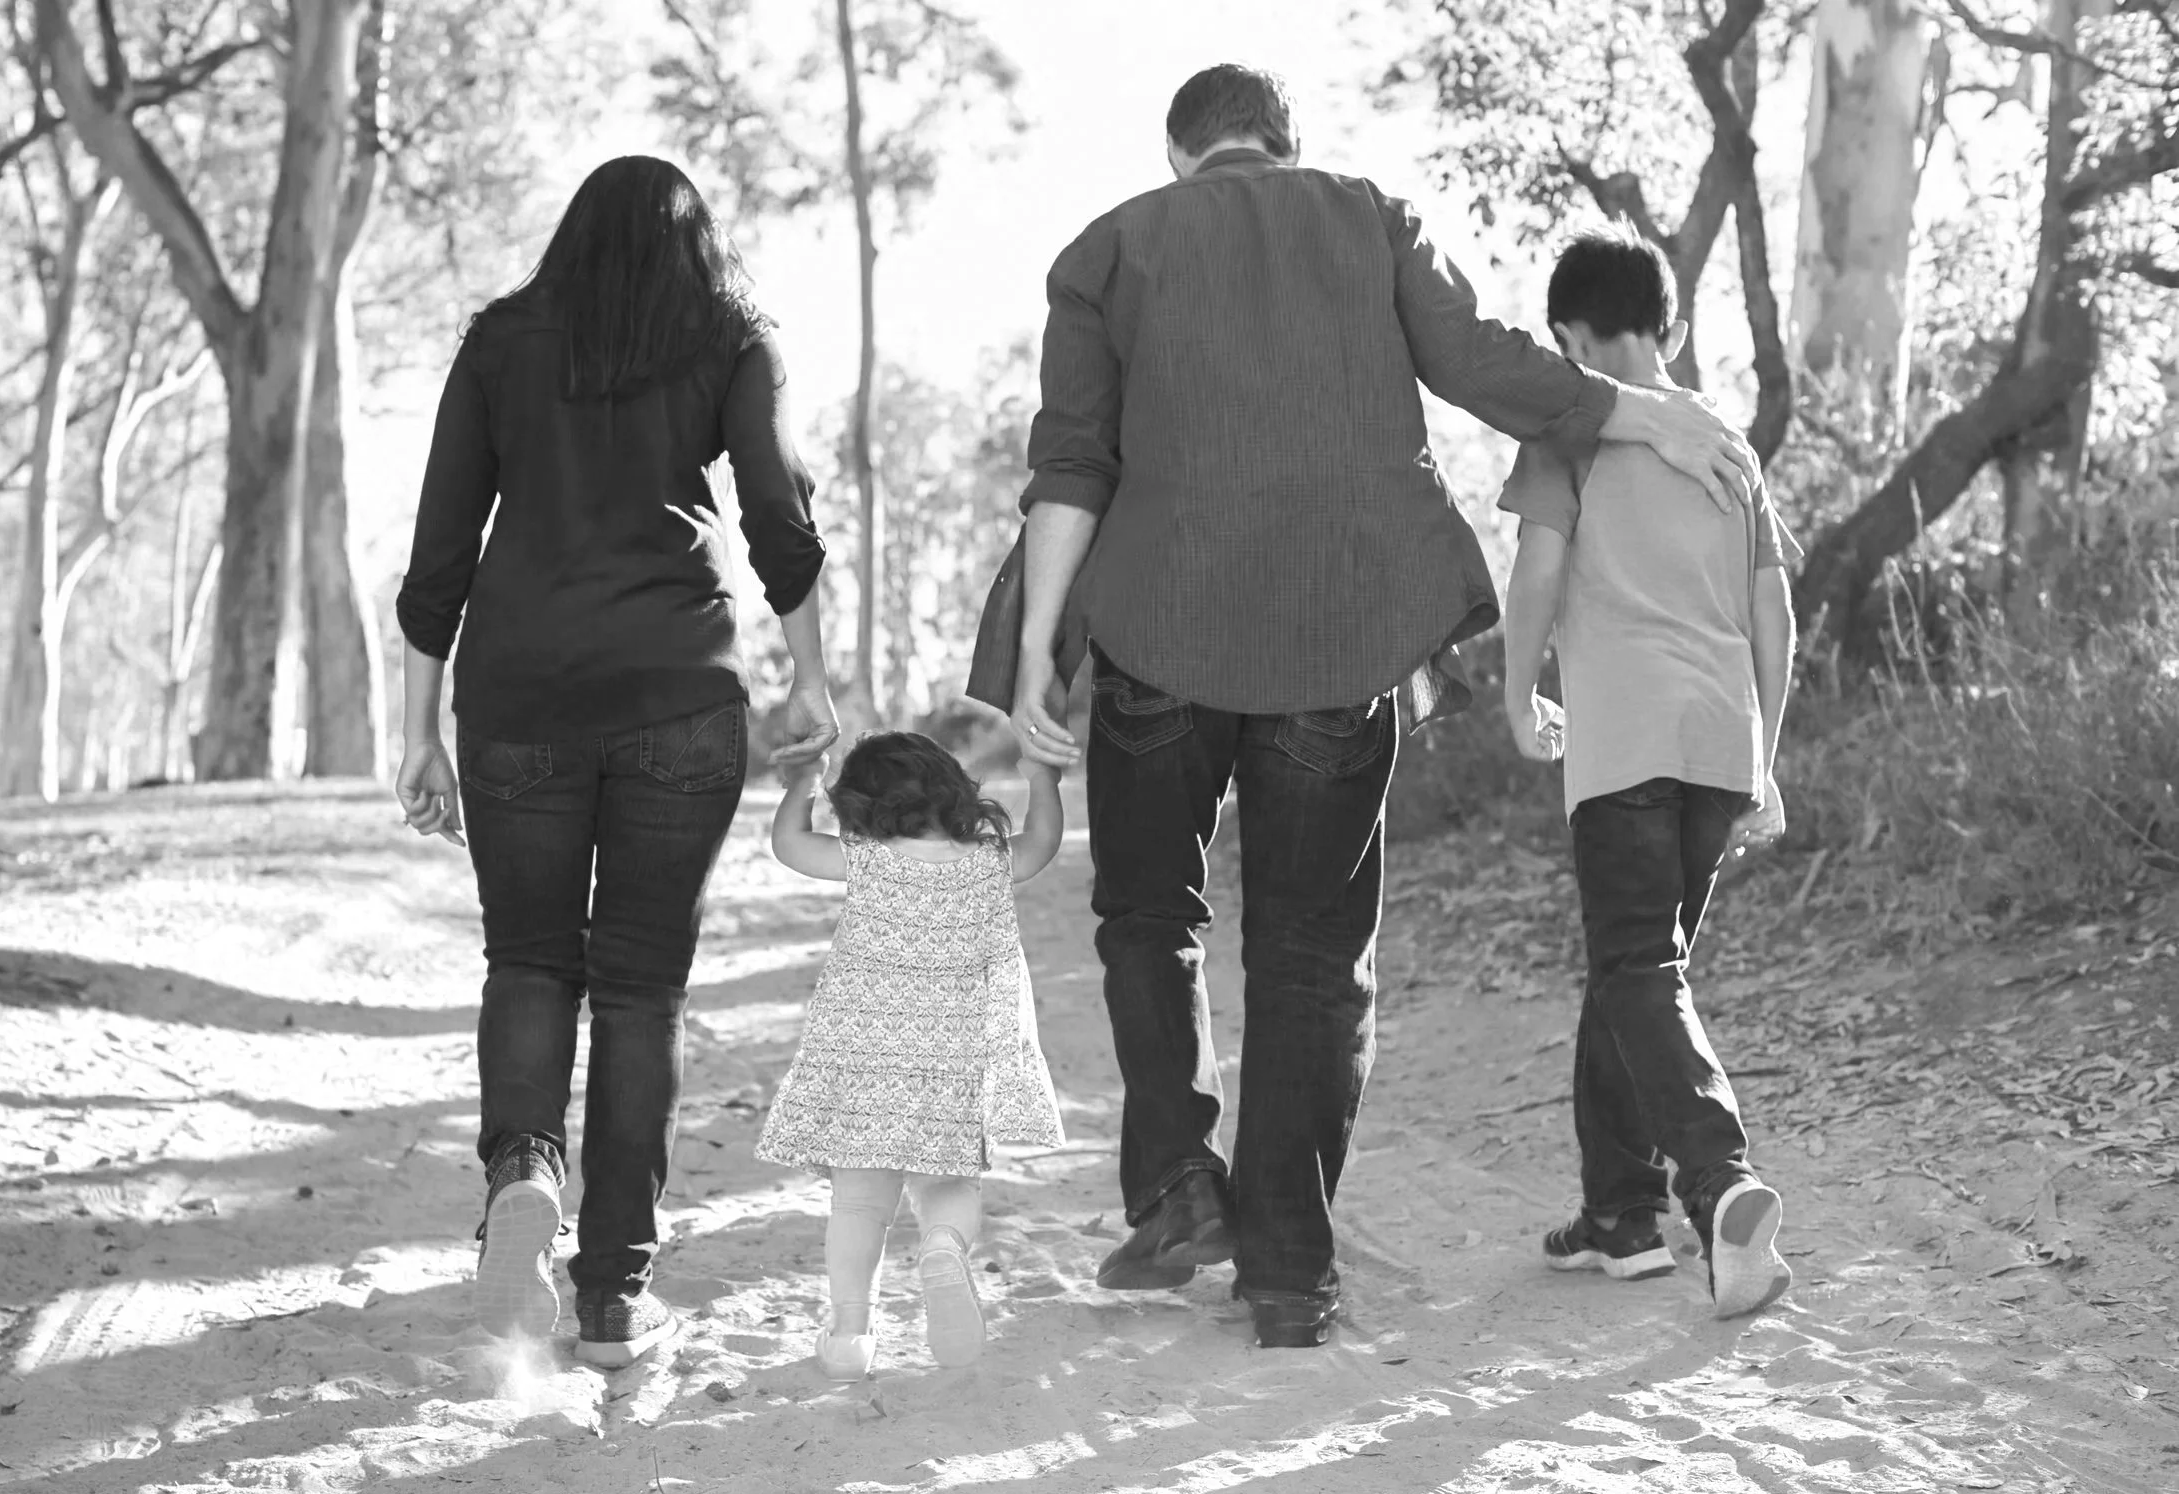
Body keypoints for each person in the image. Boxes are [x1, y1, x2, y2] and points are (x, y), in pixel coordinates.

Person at [1006, 64, 1766, 1349]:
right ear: (1285, 142)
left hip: (1156, 633)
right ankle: (1290, 1272)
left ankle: (1179, 1181)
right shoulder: (1367, 216)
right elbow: (1480, 362)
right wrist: (1644, 415)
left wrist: (1039, 648)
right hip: (1339, 635)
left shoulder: (1107, 249)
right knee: (1311, 952)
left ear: (1182, 154)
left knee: (1150, 913)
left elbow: (1071, 463)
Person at [395, 156, 840, 1369]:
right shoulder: (732, 337)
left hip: (518, 695)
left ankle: (523, 1172)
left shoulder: (500, 340)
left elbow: (441, 546)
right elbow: (779, 515)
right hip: (677, 695)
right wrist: (810, 679)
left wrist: (418, 728)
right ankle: (613, 1296)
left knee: (530, 958)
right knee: (642, 988)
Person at [1498, 232, 1797, 1321]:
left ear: (1568, 338)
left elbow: (1536, 572)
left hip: (1622, 742)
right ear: (1666, 323)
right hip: (1718, 743)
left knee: (1636, 966)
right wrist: (1763, 758)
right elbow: (1774, 611)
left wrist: (1516, 694)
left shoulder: (1570, 427)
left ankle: (1719, 1181)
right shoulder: (1727, 445)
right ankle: (1619, 1215)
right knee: (1635, 975)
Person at [755, 733, 1066, 1379]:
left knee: (859, 1203)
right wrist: (1043, 779)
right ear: (953, 789)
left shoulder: (865, 859)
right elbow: (1042, 841)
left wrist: (803, 779)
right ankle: (943, 1247)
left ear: (859, 805)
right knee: (947, 1183)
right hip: (953, 1060)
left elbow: (789, 844)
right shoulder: (989, 863)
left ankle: (850, 1333)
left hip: (863, 1060)